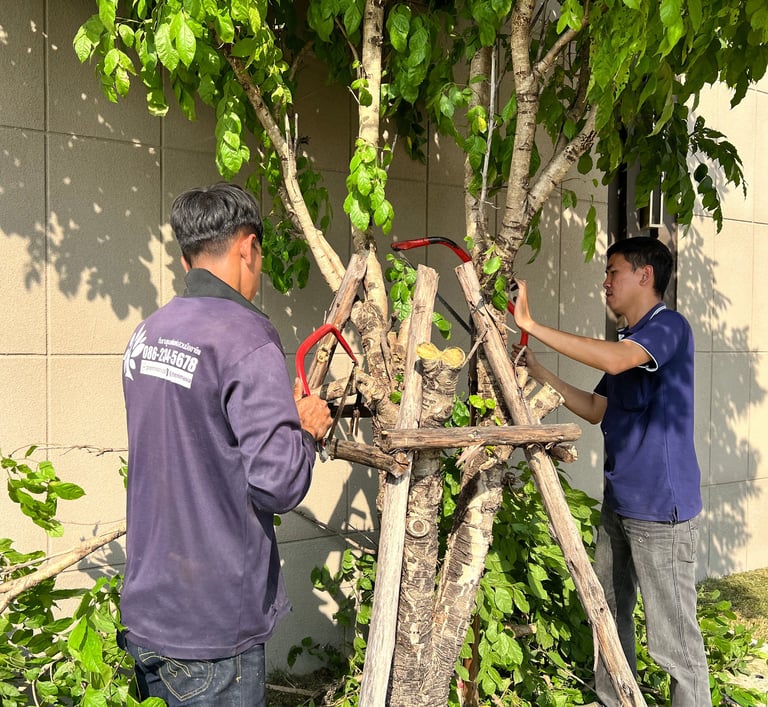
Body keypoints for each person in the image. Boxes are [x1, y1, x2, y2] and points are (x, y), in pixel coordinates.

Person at [119, 182, 332, 706]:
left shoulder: (149, 332)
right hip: (212, 631)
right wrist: (303, 428)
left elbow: (198, 445)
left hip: (150, 611)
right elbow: (277, 482)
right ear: (247, 247)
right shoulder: (245, 335)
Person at [512, 236, 711, 707]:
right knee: (609, 625)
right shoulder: (629, 342)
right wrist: (540, 371)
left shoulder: (668, 328)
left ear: (645, 275)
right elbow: (597, 407)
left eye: (613, 271)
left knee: (675, 647)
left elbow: (617, 360)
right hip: (618, 508)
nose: (605, 282)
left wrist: (531, 324)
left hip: (662, 514)